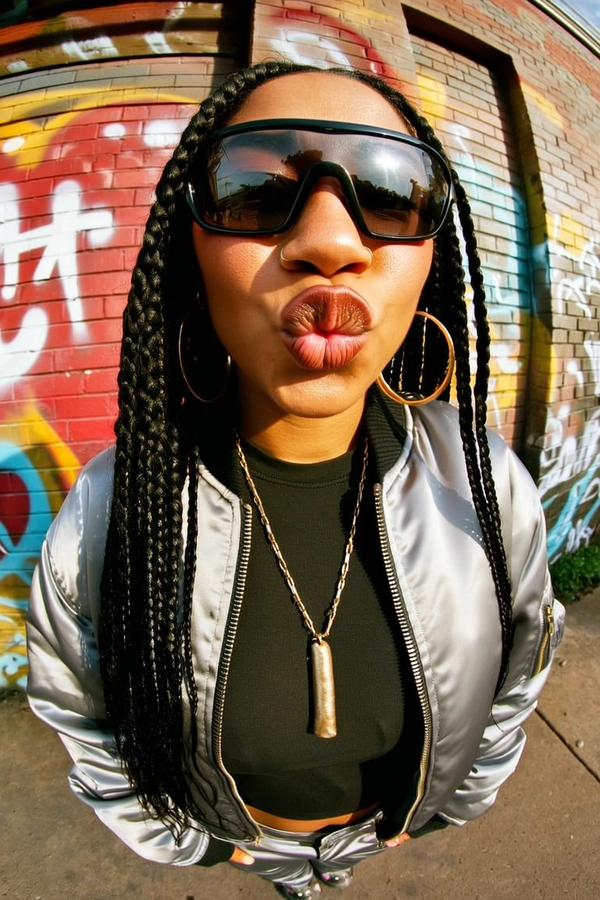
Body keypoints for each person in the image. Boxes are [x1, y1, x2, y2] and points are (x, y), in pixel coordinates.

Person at [26, 61, 564, 899]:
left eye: (390, 195)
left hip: (383, 830)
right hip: (246, 844)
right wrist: (193, 844)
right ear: (189, 251)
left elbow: (523, 668)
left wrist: (447, 803)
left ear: (430, 262)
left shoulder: (487, 484)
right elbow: (81, 713)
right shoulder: (107, 514)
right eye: (254, 189)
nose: (329, 242)